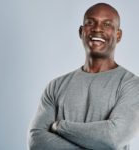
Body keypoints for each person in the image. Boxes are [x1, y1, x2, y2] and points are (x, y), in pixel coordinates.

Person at [27, 3, 139, 150]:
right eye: (90, 22)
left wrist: (60, 126)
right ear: (81, 31)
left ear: (118, 35)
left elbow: (113, 137)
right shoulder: (55, 86)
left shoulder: (131, 85)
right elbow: (36, 141)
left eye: (107, 24)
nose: (97, 28)